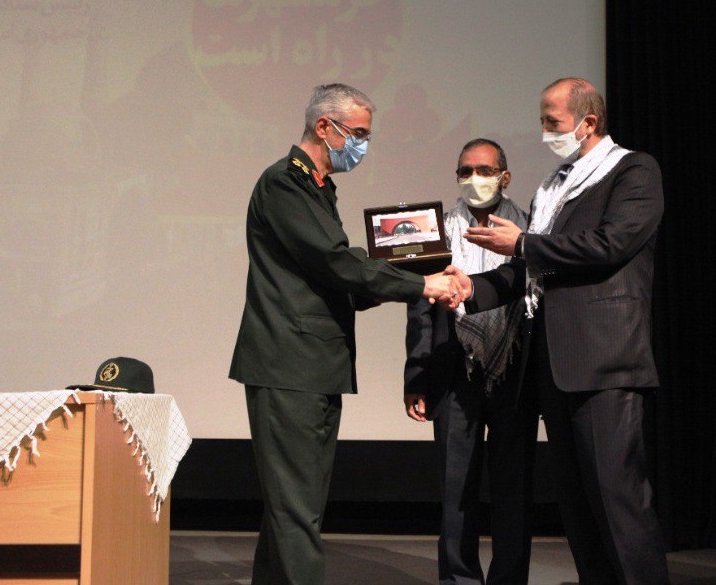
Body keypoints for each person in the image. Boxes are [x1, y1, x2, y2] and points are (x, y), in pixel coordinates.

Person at [229, 83, 470, 585]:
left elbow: (339, 278)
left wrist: (411, 270)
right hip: (289, 365)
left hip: (314, 365)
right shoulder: (285, 184)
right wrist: (421, 284)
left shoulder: (318, 188)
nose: (362, 145)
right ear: (324, 127)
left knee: (296, 506)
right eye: (357, 134)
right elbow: (335, 262)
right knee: (296, 509)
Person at [462, 78, 669, 585]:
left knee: (617, 502)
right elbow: (527, 271)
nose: (545, 132)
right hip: (553, 364)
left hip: (603, 360)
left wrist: (524, 244)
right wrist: (467, 288)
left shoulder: (632, 170)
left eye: (552, 122)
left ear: (588, 121)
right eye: (542, 121)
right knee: (577, 509)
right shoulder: (554, 186)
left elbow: (609, 244)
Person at [404, 138, 539, 585]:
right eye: (465, 171)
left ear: (505, 176)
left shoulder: (530, 230)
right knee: (455, 488)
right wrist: (417, 377)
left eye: (484, 170)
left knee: (513, 489)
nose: (474, 178)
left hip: (514, 372)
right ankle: (459, 579)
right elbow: (420, 311)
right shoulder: (436, 232)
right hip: (452, 371)